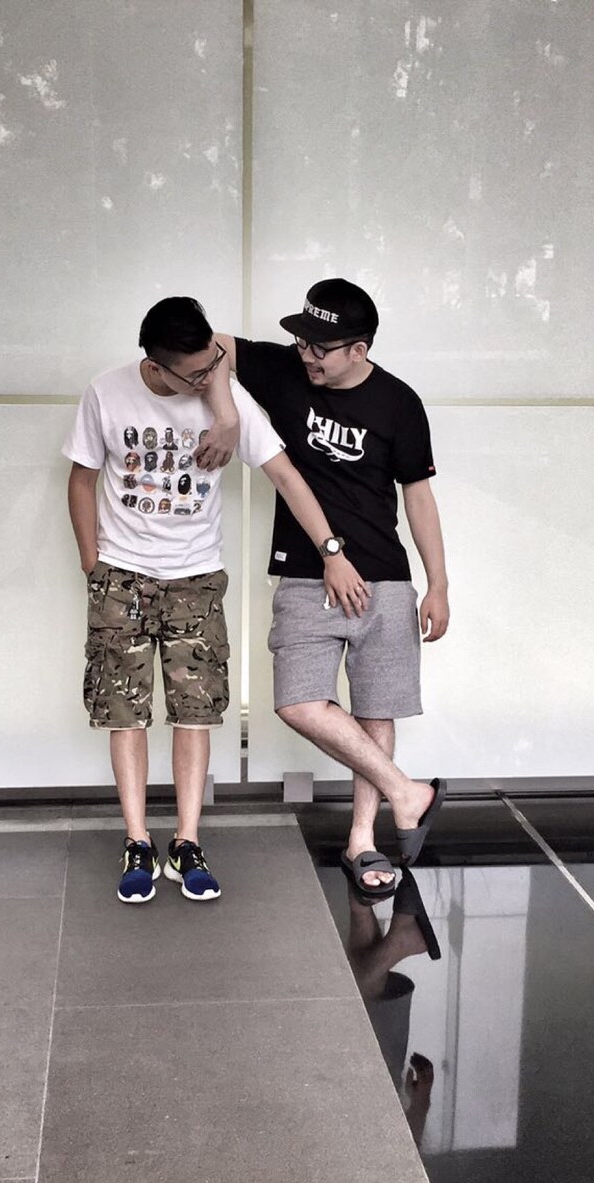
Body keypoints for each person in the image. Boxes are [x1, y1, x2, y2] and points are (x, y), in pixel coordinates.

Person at [63, 296, 367, 905]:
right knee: (125, 714)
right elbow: (82, 476)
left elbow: (285, 475)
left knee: (195, 713)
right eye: (196, 373)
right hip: (122, 577)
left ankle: (188, 842)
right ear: (156, 365)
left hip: (197, 579)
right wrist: (93, 563)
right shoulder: (106, 392)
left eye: (213, 365)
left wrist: (332, 550)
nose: (208, 378)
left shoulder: (224, 392)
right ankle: (137, 841)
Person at [212, 278, 450, 895]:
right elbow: (202, 343)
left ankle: (363, 840)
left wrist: (438, 584)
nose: (307, 355)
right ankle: (407, 792)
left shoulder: (399, 403)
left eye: (321, 346)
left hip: (385, 577)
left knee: (375, 709)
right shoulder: (282, 369)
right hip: (305, 571)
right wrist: (226, 411)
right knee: (298, 702)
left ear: (359, 349)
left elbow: (418, 497)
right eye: (302, 341)